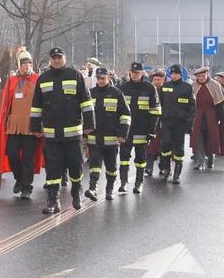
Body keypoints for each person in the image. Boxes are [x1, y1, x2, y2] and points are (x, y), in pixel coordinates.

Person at [30, 47, 95, 214]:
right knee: (52, 168)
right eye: (54, 58)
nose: (57, 60)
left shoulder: (75, 76)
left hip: (73, 133)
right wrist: (34, 127)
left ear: (64, 58)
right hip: (51, 133)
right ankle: (53, 200)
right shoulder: (43, 78)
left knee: (75, 165)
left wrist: (89, 124)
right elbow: (36, 105)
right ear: (50, 60)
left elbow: (86, 103)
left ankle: (76, 192)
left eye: (59, 57)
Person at [0, 49, 43, 199]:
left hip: (31, 124)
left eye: (29, 63)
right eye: (24, 63)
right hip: (13, 124)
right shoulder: (11, 81)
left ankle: (27, 186)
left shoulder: (37, 79)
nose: (27, 65)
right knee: (11, 154)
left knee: (28, 157)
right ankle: (18, 178)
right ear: (19, 65)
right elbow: (5, 103)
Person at [84, 68, 131, 201]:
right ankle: (93, 188)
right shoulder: (90, 93)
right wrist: (85, 130)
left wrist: (123, 134)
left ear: (108, 78)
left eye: (102, 78)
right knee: (94, 164)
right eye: (98, 78)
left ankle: (109, 189)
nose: (100, 81)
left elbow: (125, 115)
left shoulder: (117, 93)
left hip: (112, 137)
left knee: (111, 166)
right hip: (94, 137)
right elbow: (85, 113)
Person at [118, 62, 160, 194]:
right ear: (129, 72)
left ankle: (139, 182)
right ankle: (123, 183)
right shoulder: (122, 88)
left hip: (142, 129)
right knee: (124, 157)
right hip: (126, 130)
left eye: (137, 73)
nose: (134, 75)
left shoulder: (150, 88)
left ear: (142, 73)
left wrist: (151, 130)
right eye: (132, 72)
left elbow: (155, 111)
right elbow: (117, 111)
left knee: (141, 159)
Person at [159, 64, 196, 184]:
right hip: (166, 121)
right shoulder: (165, 86)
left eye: (176, 73)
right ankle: (166, 170)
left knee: (179, 149)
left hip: (180, 123)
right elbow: (159, 104)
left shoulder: (187, 87)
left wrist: (189, 124)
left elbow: (192, 107)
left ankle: (176, 175)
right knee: (165, 145)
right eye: (172, 73)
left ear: (180, 74)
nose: (173, 75)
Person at [189, 67, 223, 170]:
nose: (202, 78)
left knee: (211, 138)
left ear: (207, 74)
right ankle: (200, 161)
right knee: (198, 138)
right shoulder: (193, 85)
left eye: (203, 76)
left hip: (211, 115)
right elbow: (190, 103)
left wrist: (220, 117)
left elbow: (220, 103)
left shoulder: (215, 85)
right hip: (197, 116)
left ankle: (210, 159)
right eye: (199, 76)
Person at [145, 69, 167, 176]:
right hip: (151, 122)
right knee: (151, 146)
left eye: (159, 79)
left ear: (163, 80)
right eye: (155, 79)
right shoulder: (148, 90)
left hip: (165, 122)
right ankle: (148, 168)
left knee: (164, 146)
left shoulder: (167, 91)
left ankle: (162, 167)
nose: (157, 82)